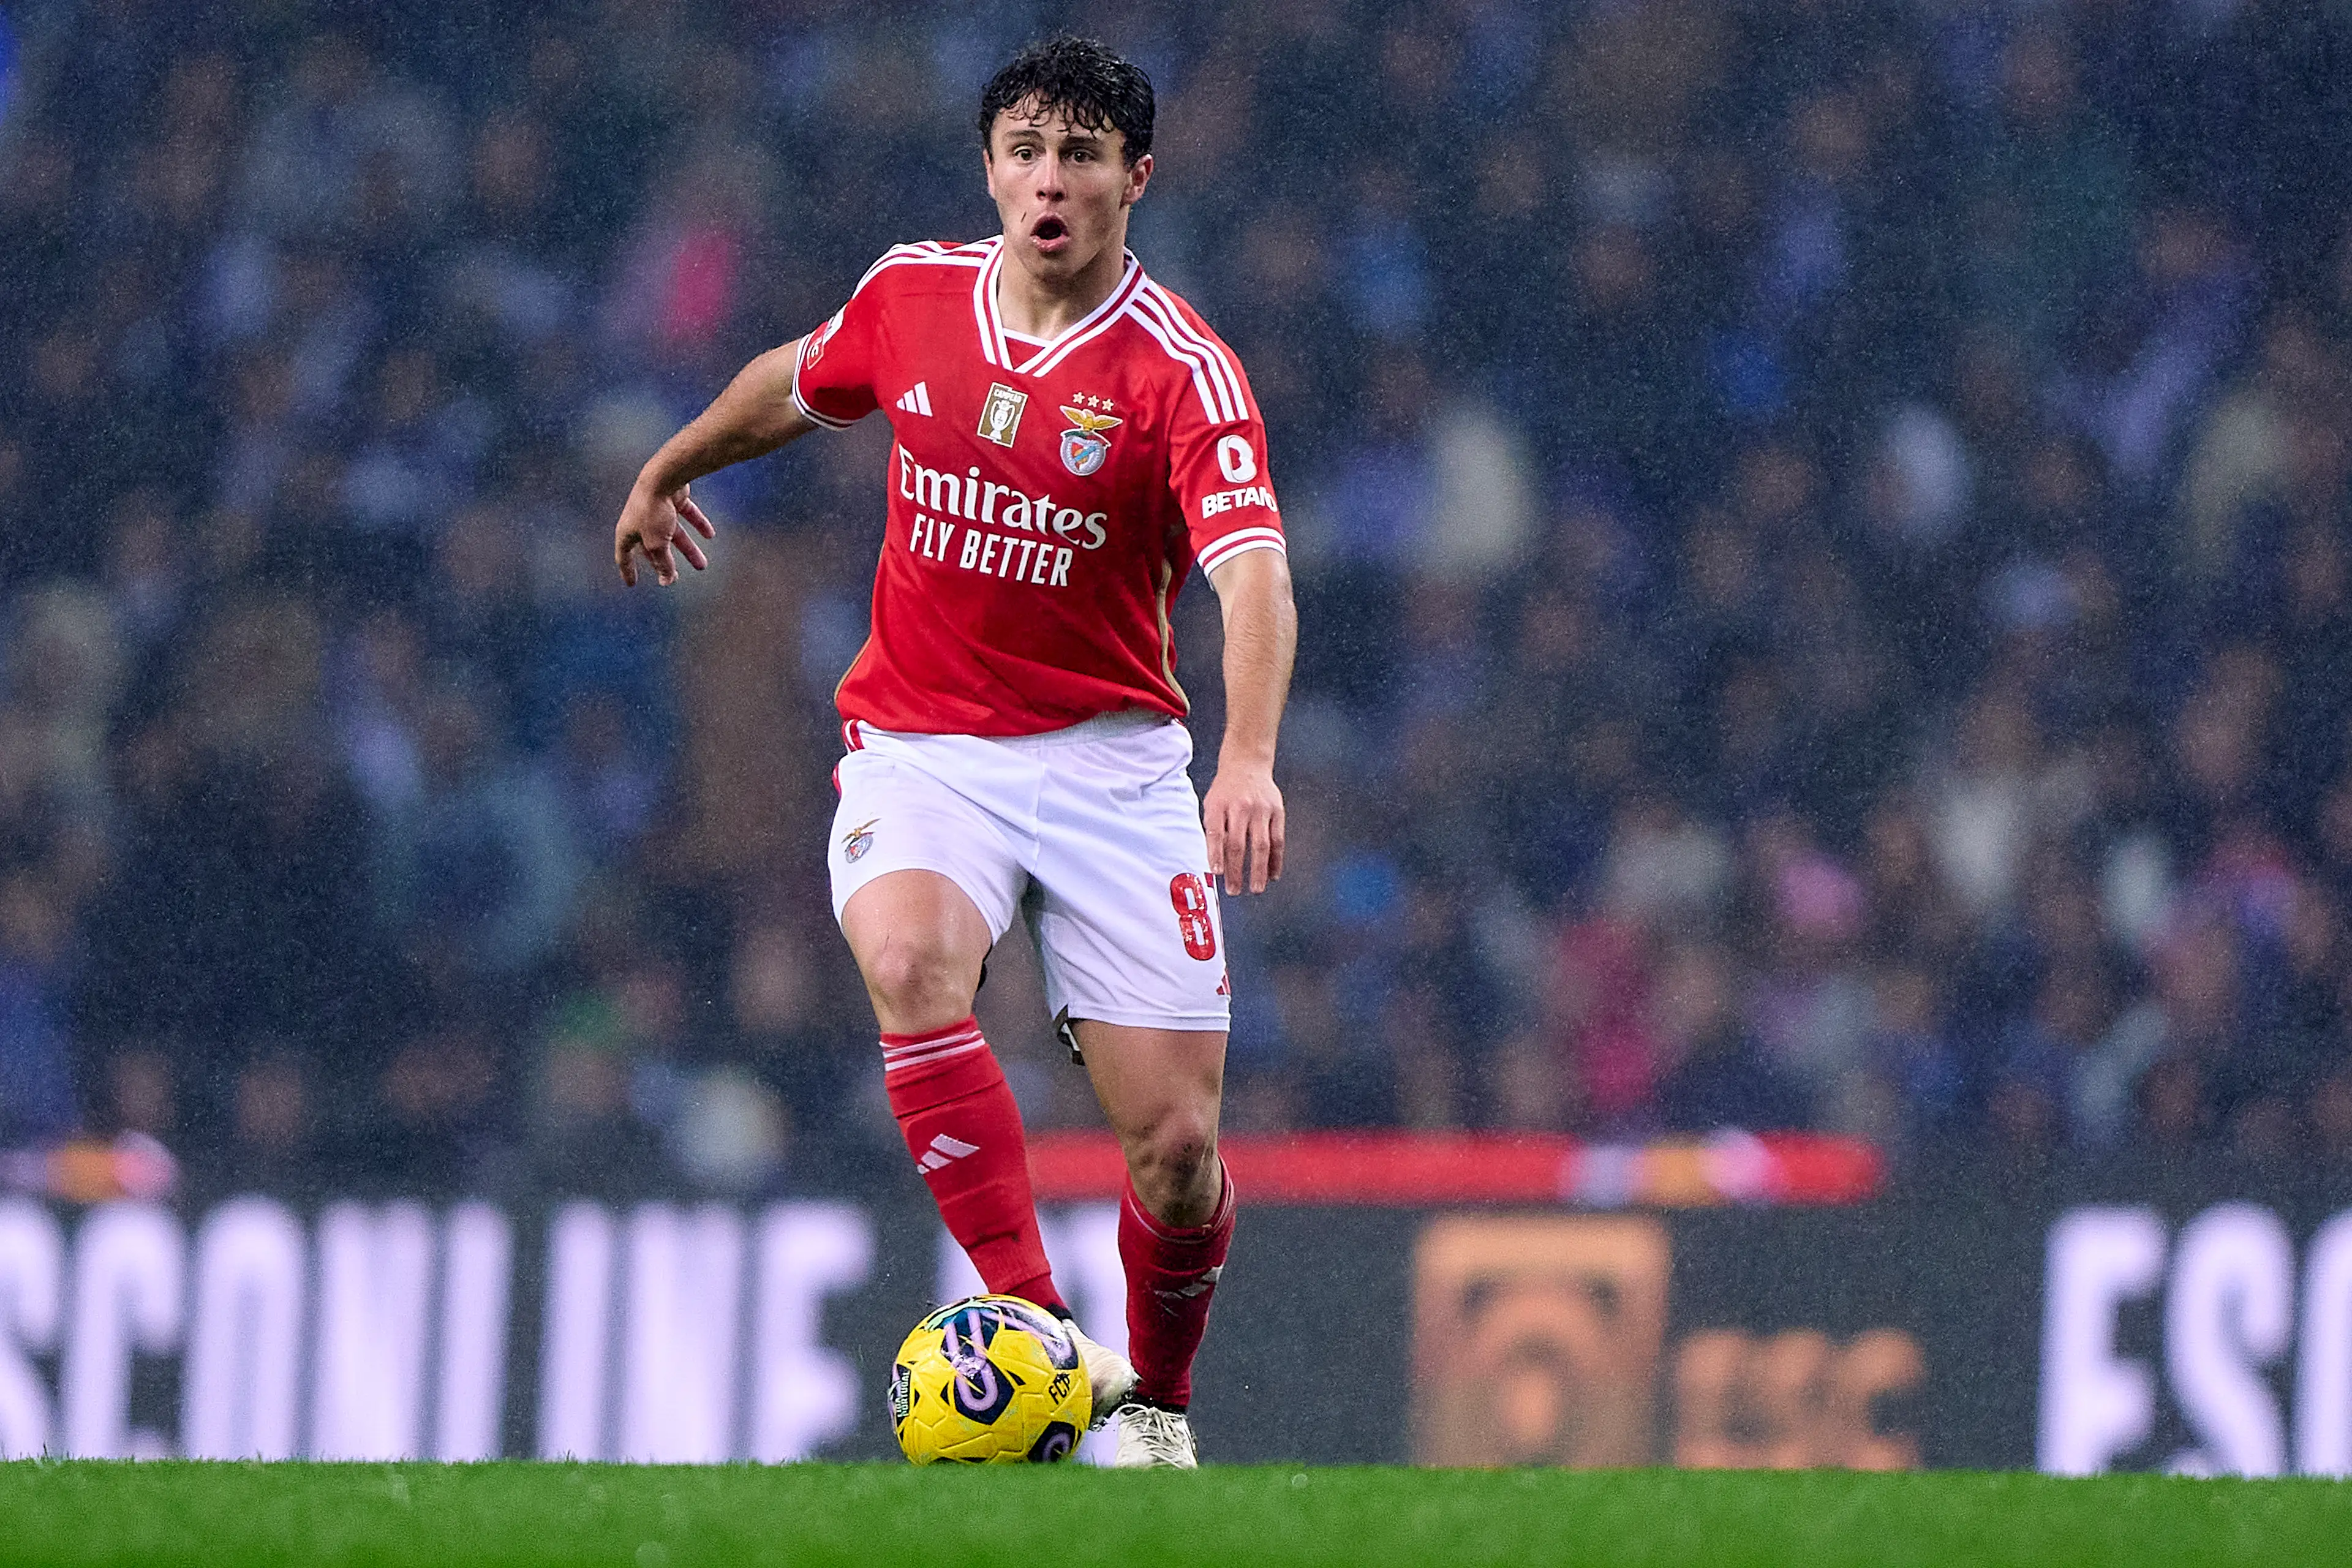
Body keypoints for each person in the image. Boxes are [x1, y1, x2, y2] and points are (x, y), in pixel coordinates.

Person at [613, 35, 1294, 1468]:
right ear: (990, 171)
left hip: (1116, 762)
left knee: (1176, 1154)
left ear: (1136, 179)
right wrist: (673, 462)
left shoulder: (1183, 371)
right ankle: (1041, 1338)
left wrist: (1248, 758)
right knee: (914, 962)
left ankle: (1158, 1407)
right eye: (1027, 154)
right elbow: (793, 381)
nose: (1051, 184)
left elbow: (1252, 576)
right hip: (924, 744)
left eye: (1083, 158)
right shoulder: (916, 295)